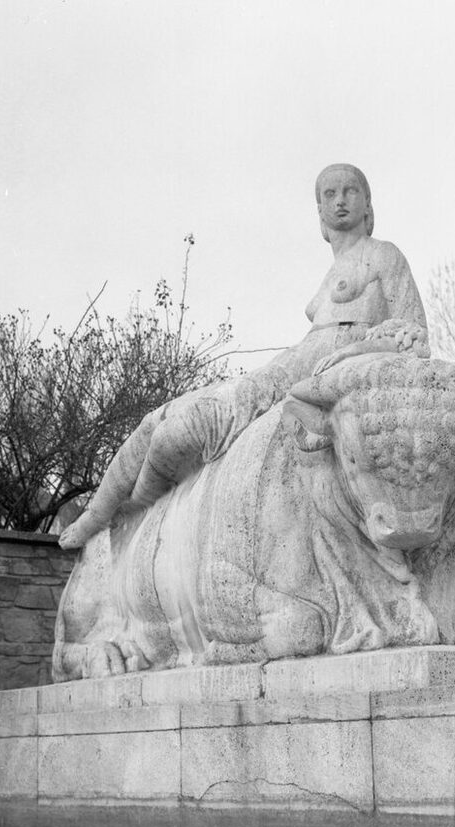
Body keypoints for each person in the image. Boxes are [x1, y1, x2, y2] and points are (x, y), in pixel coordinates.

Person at [58, 164, 429, 550]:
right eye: (329, 194)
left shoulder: (384, 256)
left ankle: (135, 512)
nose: (339, 201)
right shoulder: (334, 268)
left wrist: (357, 349)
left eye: (350, 191)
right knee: (157, 421)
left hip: (319, 368)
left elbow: (414, 338)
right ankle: (97, 513)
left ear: (367, 203)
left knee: (185, 428)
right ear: (319, 211)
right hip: (296, 360)